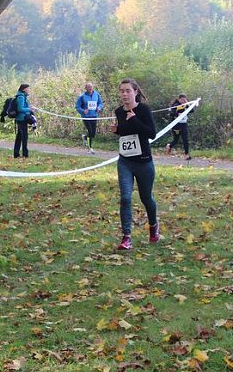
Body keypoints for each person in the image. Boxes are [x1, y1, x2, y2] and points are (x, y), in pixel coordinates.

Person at [109, 78, 160, 250]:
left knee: (146, 198)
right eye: (122, 91)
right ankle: (126, 237)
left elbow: (151, 134)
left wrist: (135, 120)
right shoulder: (118, 112)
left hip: (144, 162)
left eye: (128, 91)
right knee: (125, 198)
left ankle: (153, 226)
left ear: (135, 92)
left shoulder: (143, 110)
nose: (124, 94)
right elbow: (126, 134)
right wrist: (117, 131)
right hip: (125, 161)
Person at [76, 82, 103, 154]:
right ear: (86, 88)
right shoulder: (82, 96)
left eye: (91, 87)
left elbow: (100, 103)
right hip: (86, 117)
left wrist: (99, 108)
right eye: (88, 87)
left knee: (93, 133)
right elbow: (77, 107)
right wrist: (83, 111)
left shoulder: (96, 94)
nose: (90, 88)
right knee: (90, 131)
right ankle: (90, 148)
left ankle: (85, 137)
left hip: (94, 116)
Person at [166, 94, 191, 160]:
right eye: (182, 100)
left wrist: (187, 104)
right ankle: (169, 146)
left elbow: (192, 111)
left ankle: (187, 155)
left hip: (184, 124)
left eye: (185, 100)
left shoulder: (186, 105)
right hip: (176, 125)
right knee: (176, 140)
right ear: (179, 99)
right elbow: (171, 113)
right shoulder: (176, 105)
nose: (183, 101)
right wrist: (178, 113)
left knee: (185, 139)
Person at [13, 84, 34, 158]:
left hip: (22, 118)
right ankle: (25, 154)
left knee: (19, 137)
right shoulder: (21, 97)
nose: (29, 90)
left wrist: (29, 109)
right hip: (21, 119)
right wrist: (29, 109)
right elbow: (20, 109)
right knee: (24, 137)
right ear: (24, 89)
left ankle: (16, 154)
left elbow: (24, 107)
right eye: (28, 89)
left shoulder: (23, 96)